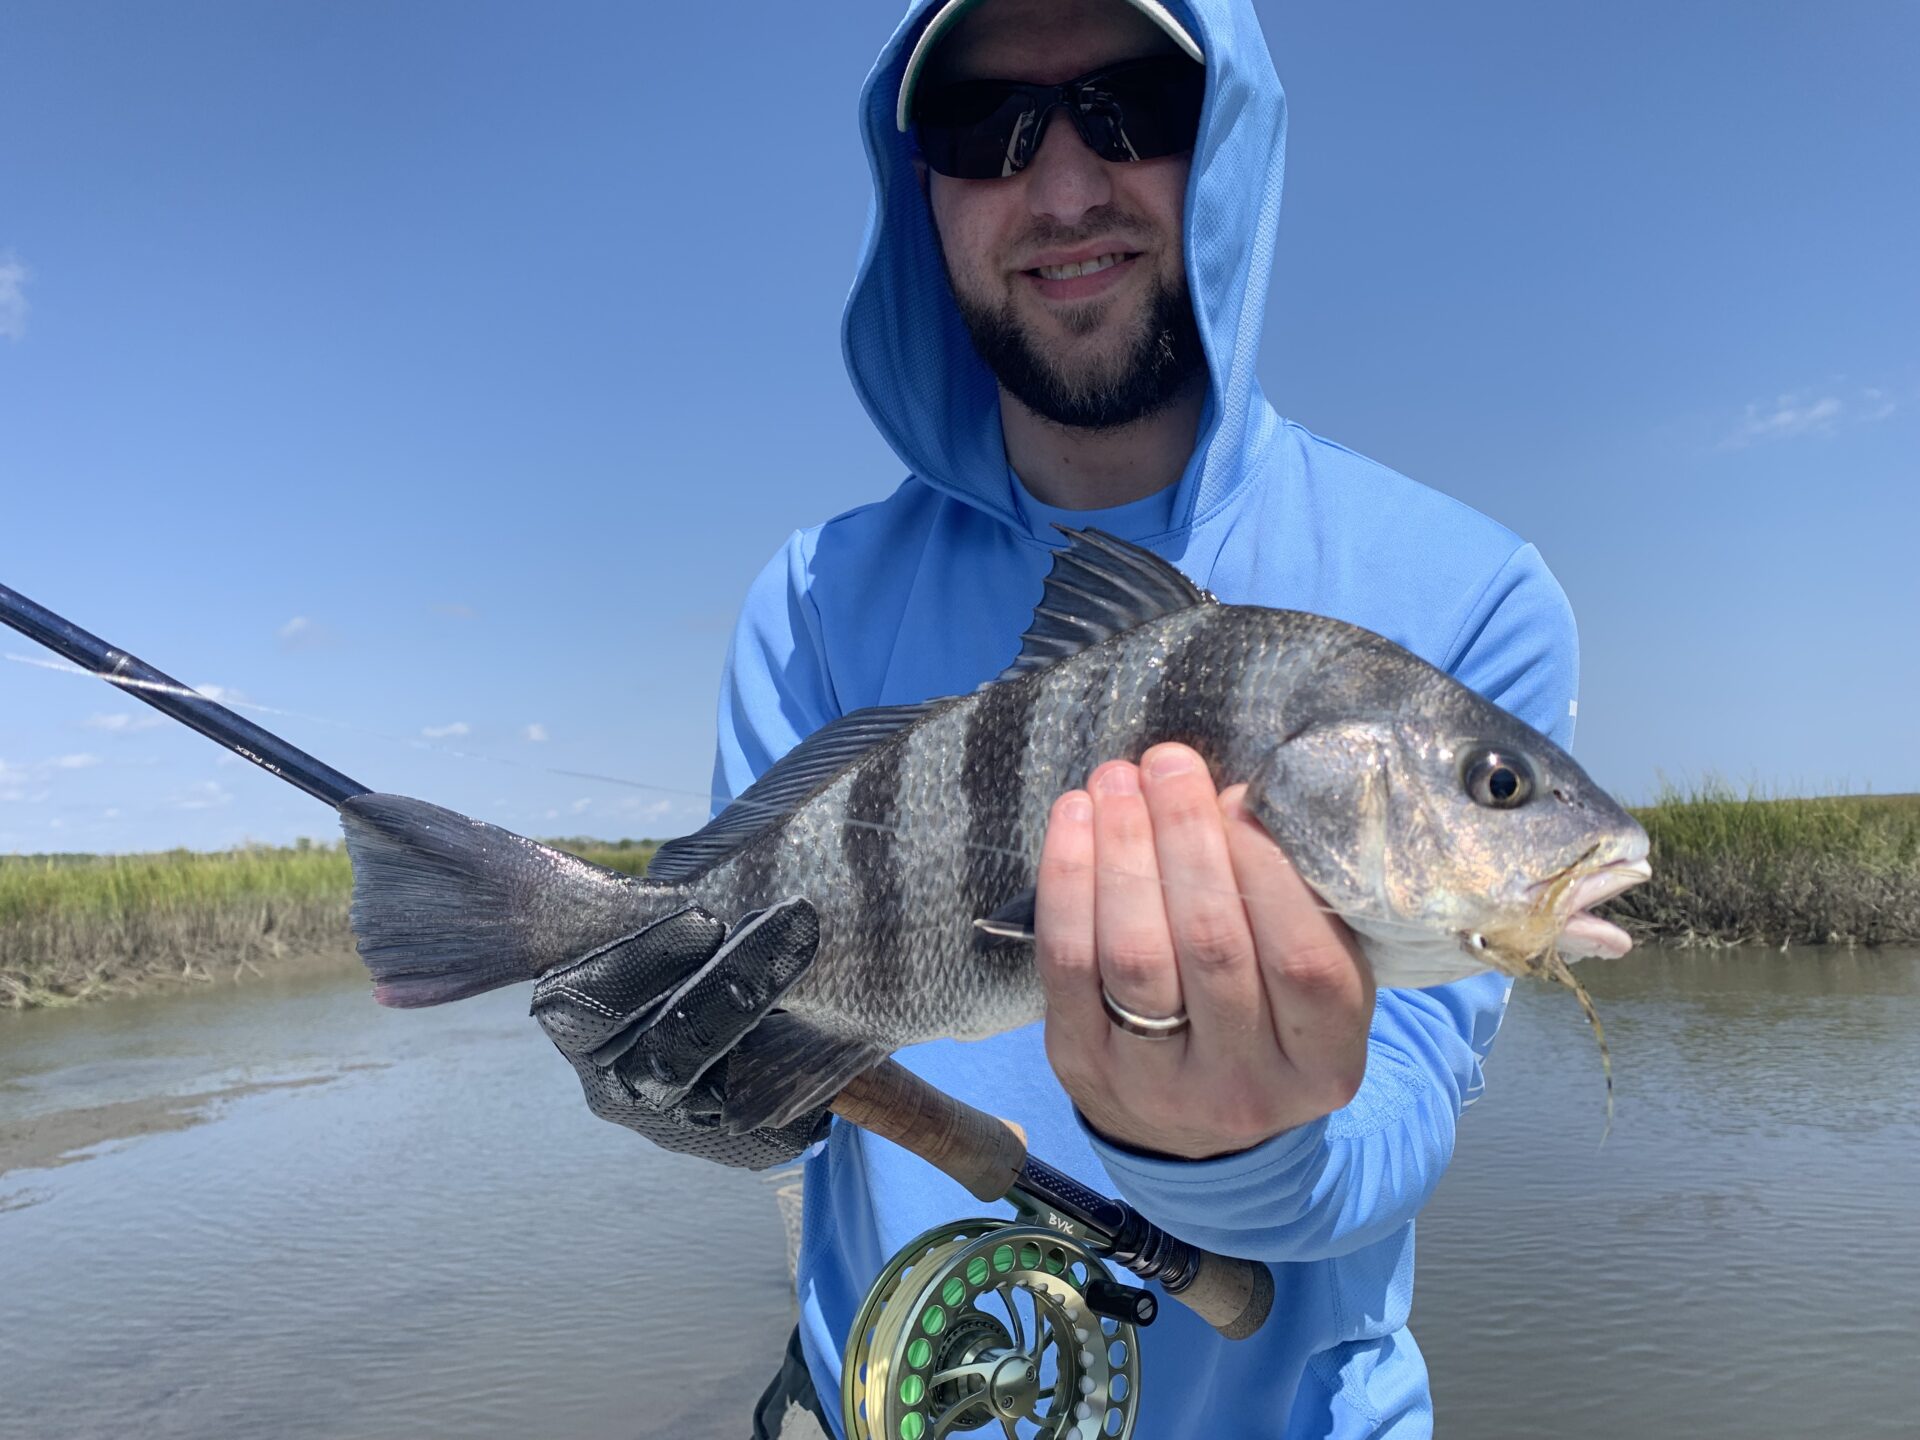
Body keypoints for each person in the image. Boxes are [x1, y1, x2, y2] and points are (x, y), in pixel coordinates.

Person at [537, 0, 1580, 1435]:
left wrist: (1226, 1150)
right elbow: (778, 1043)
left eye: (1132, 105)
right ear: (922, 192)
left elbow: (1406, 1107)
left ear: (1228, 140)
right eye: (988, 128)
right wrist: (691, 1092)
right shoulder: (810, 596)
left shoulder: (1469, 592)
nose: (1069, 186)